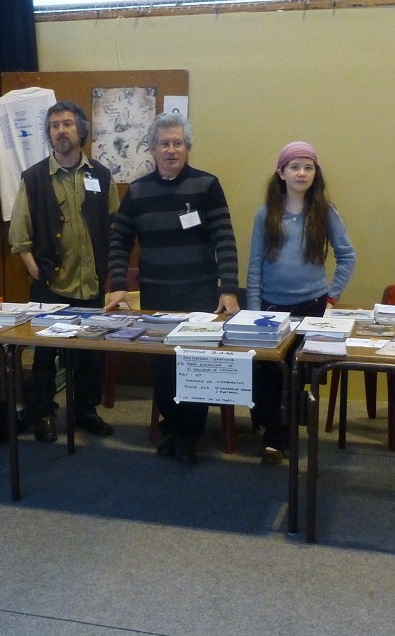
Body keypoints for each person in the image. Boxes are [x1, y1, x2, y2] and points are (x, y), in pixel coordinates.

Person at [104, 112, 240, 465]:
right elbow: (119, 241)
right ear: (151, 148)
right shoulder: (137, 190)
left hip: (199, 295)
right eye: (164, 143)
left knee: (195, 364)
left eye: (177, 143)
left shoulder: (207, 186)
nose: (171, 150)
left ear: (188, 147)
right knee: (162, 368)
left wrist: (229, 289)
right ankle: (177, 427)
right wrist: (119, 286)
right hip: (157, 296)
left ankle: (185, 435)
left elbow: (225, 239)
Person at [8, 101, 119, 443]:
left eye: (67, 123)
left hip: (90, 283)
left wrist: (109, 274)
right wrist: (35, 273)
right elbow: (19, 237)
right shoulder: (35, 178)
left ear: (80, 131)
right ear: (49, 134)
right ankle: (42, 413)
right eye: (54, 125)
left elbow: (115, 227)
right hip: (50, 285)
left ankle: (85, 411)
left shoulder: (100, 175)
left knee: (89, 354)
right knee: (45, 355)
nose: (61, 130)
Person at [246, 141, 356, 464]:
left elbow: (348, 256)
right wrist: (253, 311)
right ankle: (276, 427)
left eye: (308, 167)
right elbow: (254, 264)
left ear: (315, 174)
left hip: (312, 307)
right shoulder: (266, 213)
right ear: (281, 173)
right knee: (268, 372)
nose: (302, 173)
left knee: (297, 372)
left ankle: (279, 437)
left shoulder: (325, 211)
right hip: (270, 308)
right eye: (294, 167)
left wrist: (332, 295)